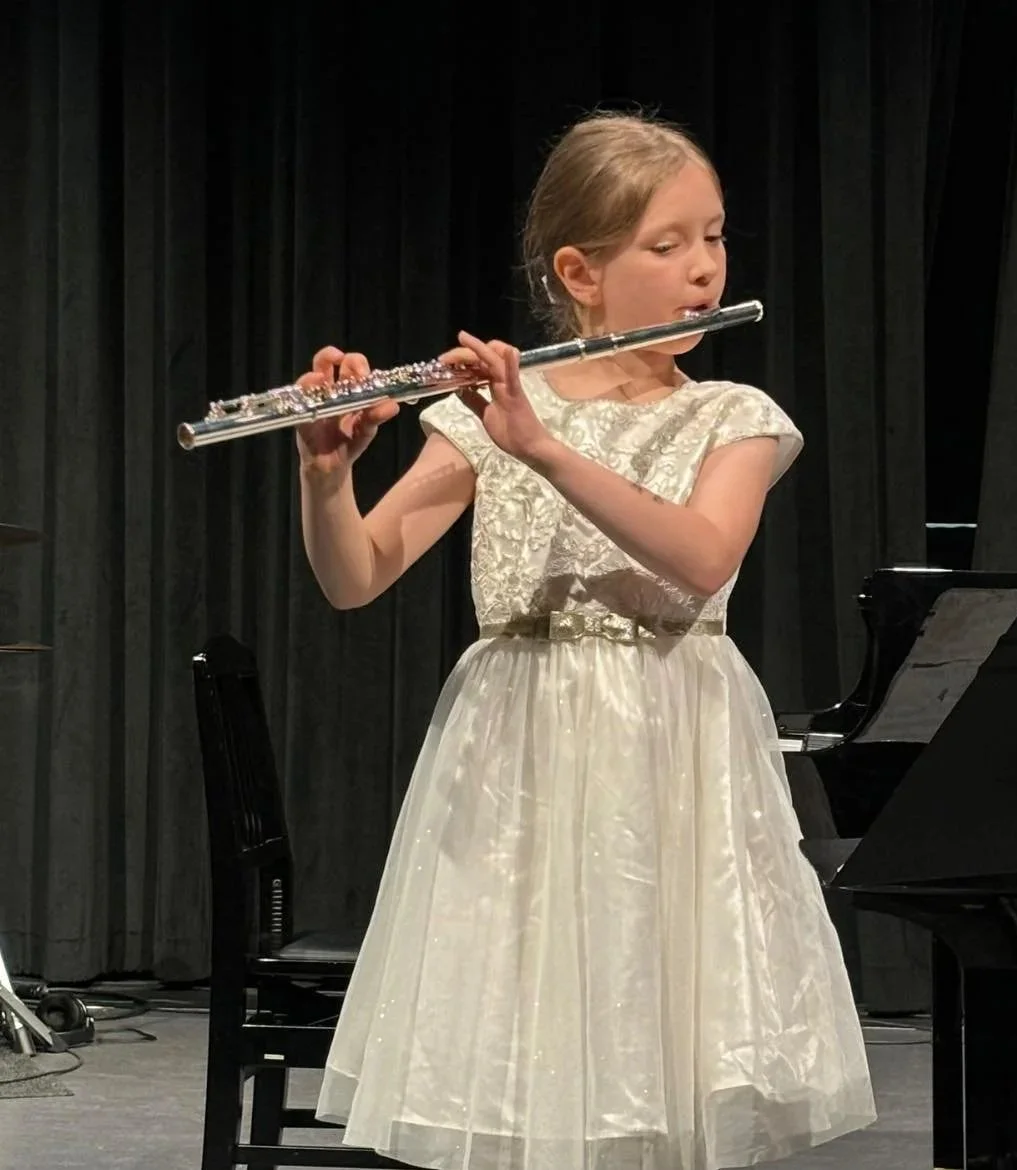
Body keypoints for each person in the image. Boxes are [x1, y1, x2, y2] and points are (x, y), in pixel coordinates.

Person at [298, 110, 876, 1170]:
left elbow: (699, 561)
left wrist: (547, 450)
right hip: (517, 750)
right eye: (668, 246)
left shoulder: (734, 414)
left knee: (658, 1042)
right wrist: (326, 474)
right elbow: (355, 576)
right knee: (522, 1043)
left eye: (715, 237)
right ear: (582, 271)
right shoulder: (486, 412)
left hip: (670, 737)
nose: (703, 268)